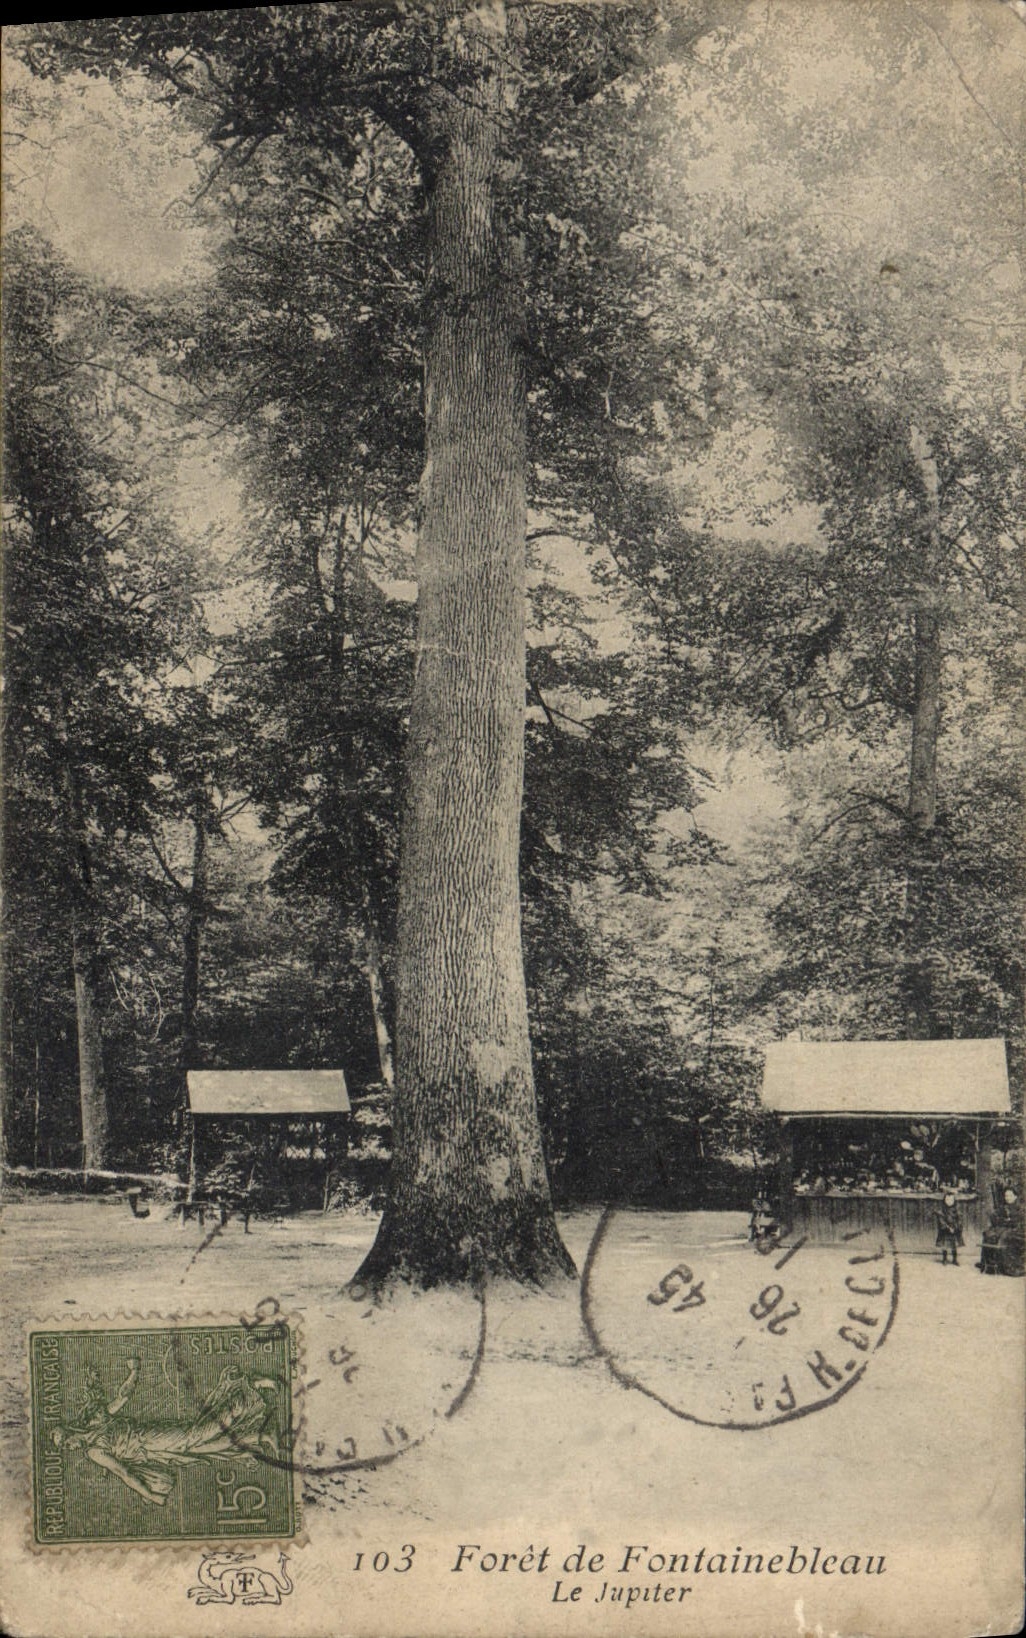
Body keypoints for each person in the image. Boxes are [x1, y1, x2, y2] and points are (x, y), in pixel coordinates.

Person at [51, 1358, 283, 1505]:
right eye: (65, 1448)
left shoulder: (95, 1430)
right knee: (204, 1448)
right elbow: (125, 1471)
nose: (69, 1448)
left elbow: (124, 1473)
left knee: (198, 1435)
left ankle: (246, 1391)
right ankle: (261, 1436)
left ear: (71, 1432)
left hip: (151, 1437)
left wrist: (135, 1372)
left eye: (66, 1443)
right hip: (154, 1451)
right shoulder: (94, 1441)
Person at [935, 1191, 964, 1266]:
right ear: (944, 1200)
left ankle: (954, 1259)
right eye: (947, 1200)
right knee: (945, 1245)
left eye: (951, 1200)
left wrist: (956, 1227)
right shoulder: (942, 1210)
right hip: (945, 1230)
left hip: (954, 1229)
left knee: (954, 1245)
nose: (949, 1202)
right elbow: (941, 1220)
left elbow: (960, 1219)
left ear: (954, 1200)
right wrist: (948, 1227)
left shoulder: (957, 1209)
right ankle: (944, 1259)